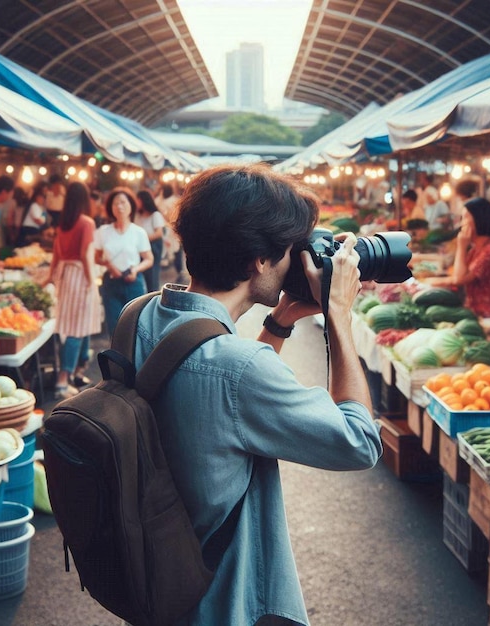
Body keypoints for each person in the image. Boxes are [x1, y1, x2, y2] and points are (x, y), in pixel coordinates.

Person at [134, 164, 382, 625]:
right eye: (291, 250)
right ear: (258, 261)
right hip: (224, 601)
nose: (297, 261)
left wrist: (280, 321)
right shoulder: (237, 368)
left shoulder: (141, 317)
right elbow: (358, 442)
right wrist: (339, 317)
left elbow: (219, 411)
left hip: (160, 579)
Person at [41, 182, 102, 399]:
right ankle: (62, 381)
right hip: (80, 277)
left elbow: (56, 256)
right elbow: (86, 255)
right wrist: (90, 280)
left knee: (73, 327)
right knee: (76, 329)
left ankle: (77, 371)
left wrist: (49, 278)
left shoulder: (63, 224)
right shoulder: (86, 222)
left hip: (65, 277)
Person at [94, 187, 154, 336]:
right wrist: (108, 264)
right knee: (114, 328)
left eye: (123, 202)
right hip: (111, 282)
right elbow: (97, 257)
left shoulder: (138, 232)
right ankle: (115, 359)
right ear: (110, 208)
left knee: (135, 327)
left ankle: (134, 359)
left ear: (131, 206)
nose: (119, 207)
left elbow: (149, 259)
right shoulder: (103, 232)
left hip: (134, 282)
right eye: (115, 203)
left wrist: (135, 269)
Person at [135, 190, 165, 292]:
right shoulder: (137, 216)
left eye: (138, 200)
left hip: (153, 246)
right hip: (139, 247)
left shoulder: (155, 215)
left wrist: (143, 239)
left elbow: (159, 233)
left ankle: (153, 294)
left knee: (152, 273)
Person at [155, 182, 182, 272]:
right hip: (169, 227)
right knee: (172, 247)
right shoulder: (162, 200)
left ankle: (177, 266)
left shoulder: (169, 202)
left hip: (170, 227)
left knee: (174, 246)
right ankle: (176, 266)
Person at [16, 182, 48, 247]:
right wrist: (44, 215)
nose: (43, 199)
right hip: (29, 232)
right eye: (42, 197)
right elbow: (38, 221)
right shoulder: (34, 205)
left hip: (34, 231)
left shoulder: (39, 207)